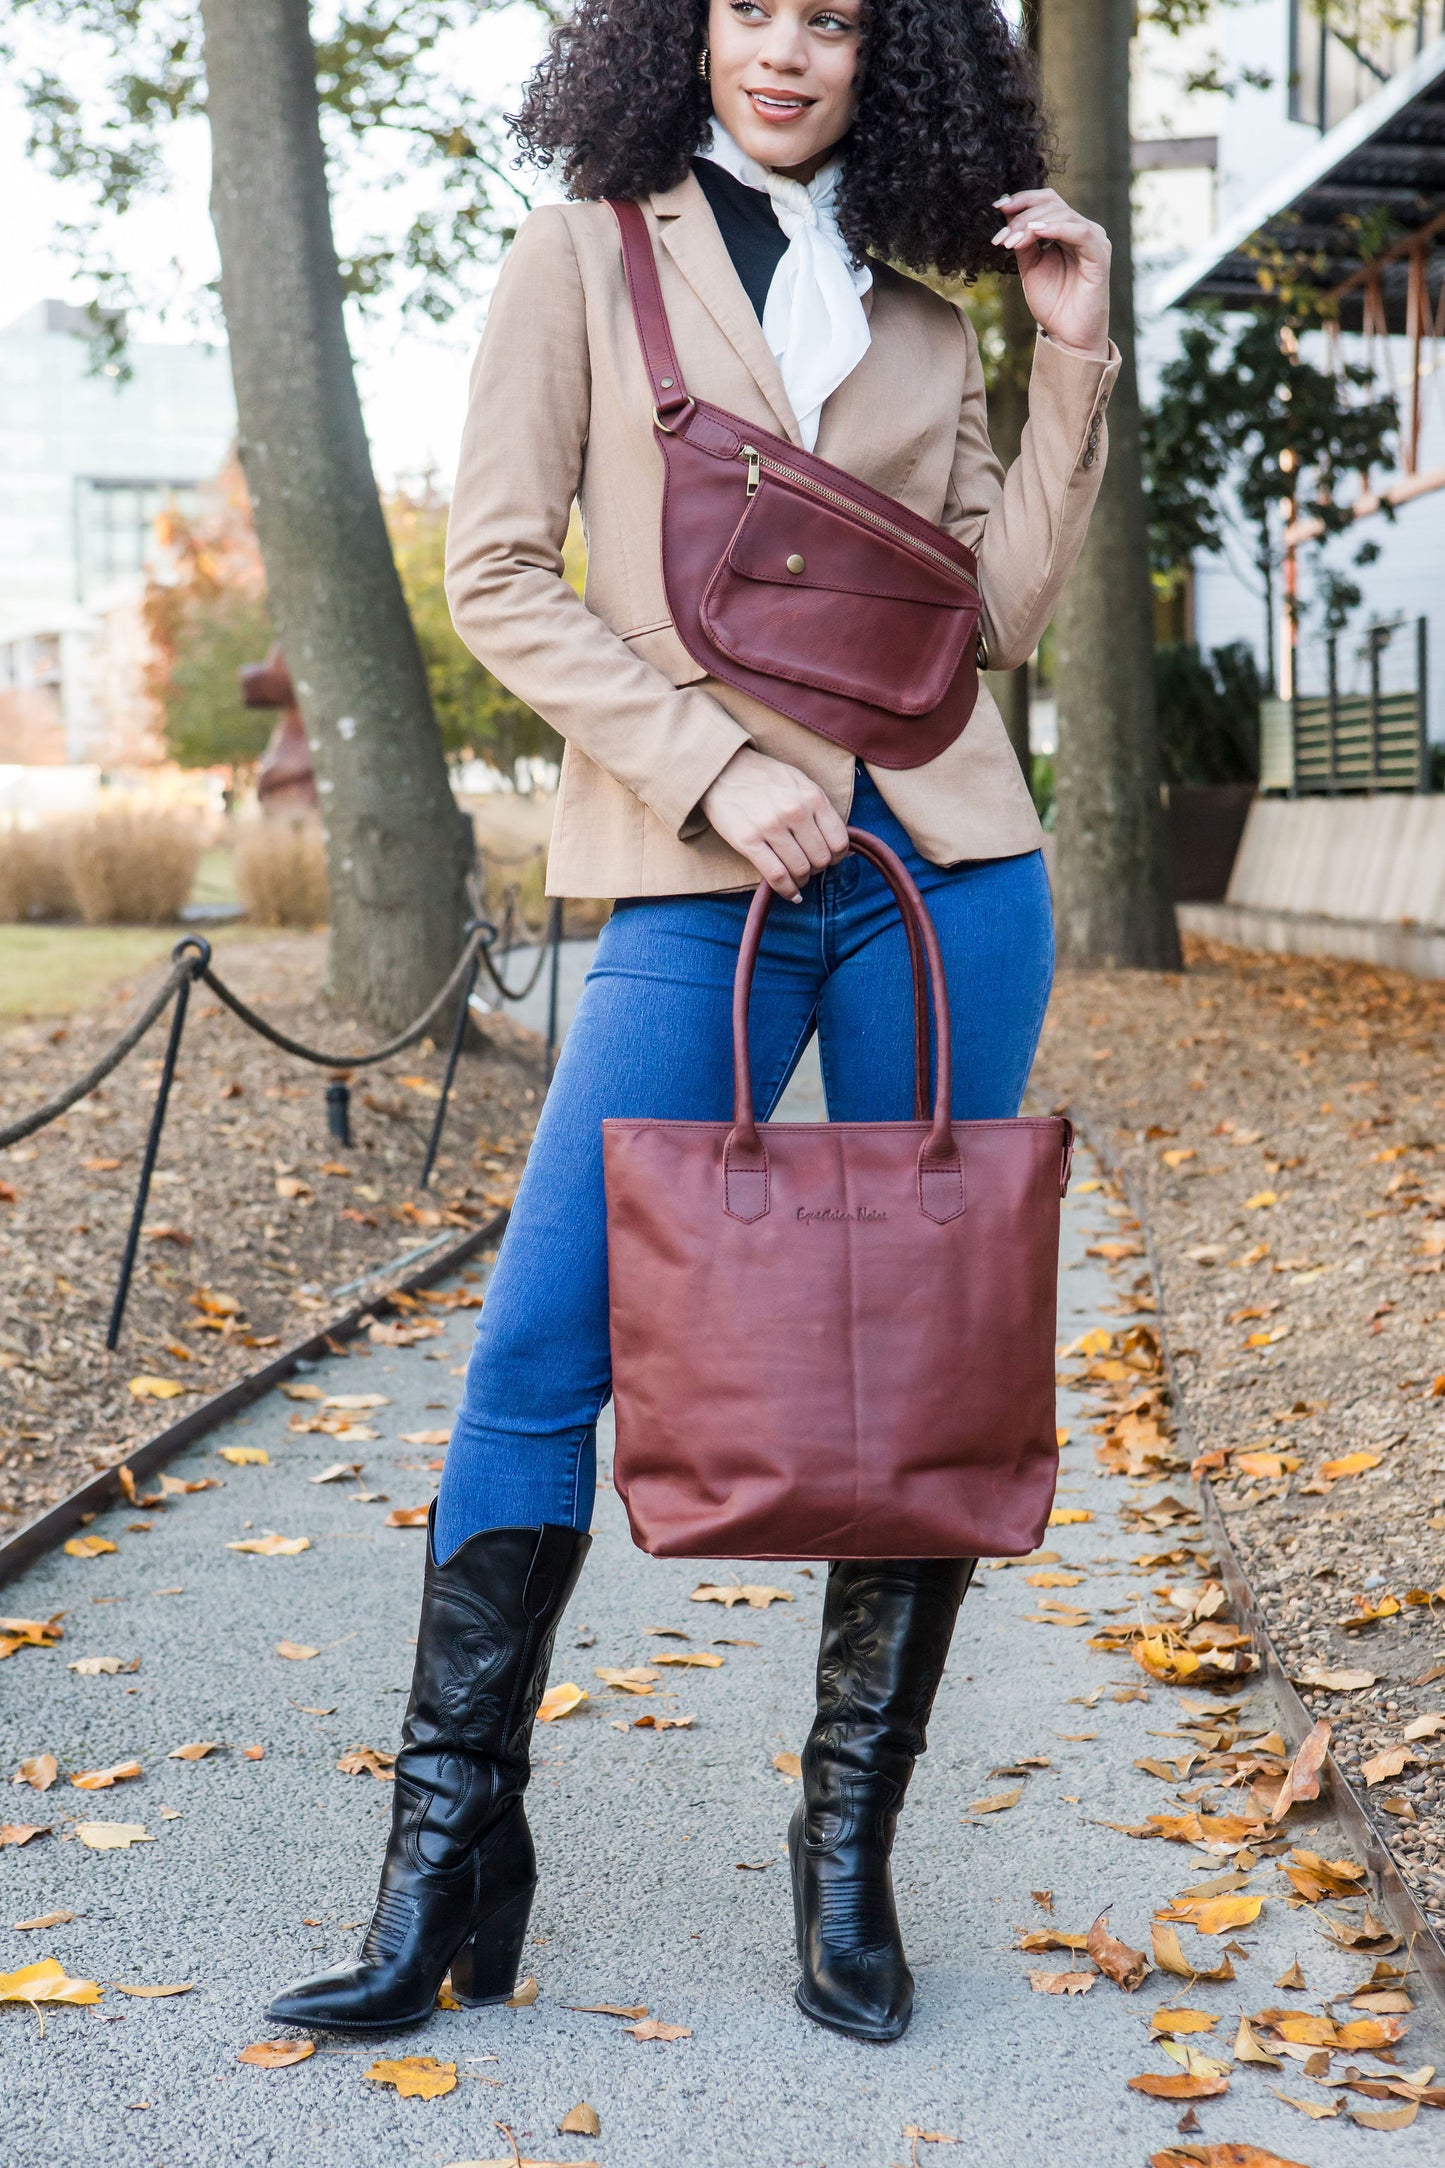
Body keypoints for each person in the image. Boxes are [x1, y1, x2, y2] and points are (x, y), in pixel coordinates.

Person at [267, 0, 1116, 2045]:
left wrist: (1071, 355)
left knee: (915, 1377)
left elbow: (993, 619)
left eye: (835, 19)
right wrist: (714, 769)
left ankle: (847, 1862)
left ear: (890, 58)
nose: (788, 51)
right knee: (538, 1352)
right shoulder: (581, 258)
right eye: (754, 7)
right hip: (692, 876)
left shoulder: (923, 324)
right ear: (687, 27)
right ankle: (448, 1858)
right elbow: (499, 574)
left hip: (946, 885)